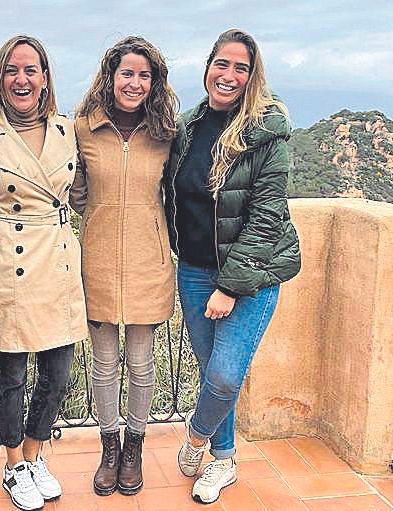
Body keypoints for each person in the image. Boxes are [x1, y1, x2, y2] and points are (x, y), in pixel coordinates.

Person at [163, 28, 301, 505]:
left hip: (251, 277)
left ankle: (196, 439)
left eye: (240, 67)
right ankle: (223, 459)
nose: (229, 75)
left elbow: (266, 217)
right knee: (212, 372)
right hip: (194, 270)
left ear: (252, 75)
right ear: (207, 67)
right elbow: (171, 196)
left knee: (223, 375)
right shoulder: (188, 126)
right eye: (222, 63)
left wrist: (229, 287)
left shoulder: (267, 133)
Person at [0, 35, 88, 511]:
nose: (22, 79)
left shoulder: (67, 129)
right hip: (6, 260)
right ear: (0, 79)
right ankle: (13, 465)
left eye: (31, 70)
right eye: (13, 70)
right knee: (11, 375)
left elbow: (82, 192)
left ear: (45, 78)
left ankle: (34, 455)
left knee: (57, 373)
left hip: (55, 255)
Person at [70, 35, 178, 497]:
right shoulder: (82, 128)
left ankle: (134, 445)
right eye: (126, 73)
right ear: (110, 77)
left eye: (143, 75)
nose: (134, 83)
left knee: (140, 364)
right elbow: (72, 190)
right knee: (103, 365)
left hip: (148, 263)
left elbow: (176, 193)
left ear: (154, 83)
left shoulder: (166, 134)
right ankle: (109, 446)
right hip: (96, 261)